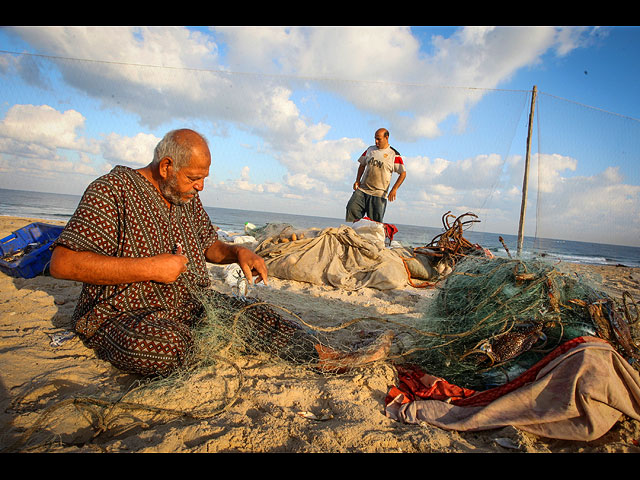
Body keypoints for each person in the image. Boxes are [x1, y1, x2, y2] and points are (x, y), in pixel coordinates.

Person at [50, 129, 268, 376]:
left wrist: (238, 252)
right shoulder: (111, 190)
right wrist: (152, 268)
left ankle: (317, 354)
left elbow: (209, 246)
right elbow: (63, 263)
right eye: (193, 177)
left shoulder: (185, 195)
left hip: (191, 306)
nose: (201, 186)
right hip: (123, 313)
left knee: (259, 316)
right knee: (167, 348)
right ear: (166, 166)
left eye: (203, 178)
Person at [345, 128, 406, 224]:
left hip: (379, 194)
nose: (376, 142)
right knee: (351, 207)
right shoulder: (370, 150)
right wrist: (357, 180)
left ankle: (372, 237)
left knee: (375, 224)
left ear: (386, 137)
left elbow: (403, 173)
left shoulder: (394, 154)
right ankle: (354, 233)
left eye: (379, 139)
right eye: (375, 139)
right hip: (363, 190)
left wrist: (394, 189)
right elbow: (362, 165)